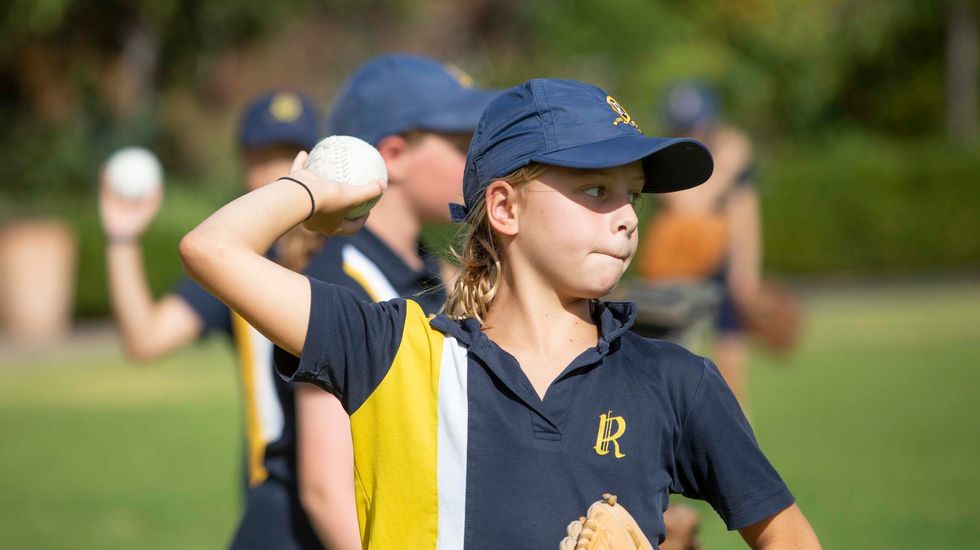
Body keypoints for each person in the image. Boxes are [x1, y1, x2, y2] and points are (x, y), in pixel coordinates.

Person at [179, 78, 820, 548]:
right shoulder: (391, 350)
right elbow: (210, 249)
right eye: (595, 189)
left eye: (634, 195)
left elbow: (789, 536)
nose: (626, 216)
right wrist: (313, 192)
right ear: (505, 208)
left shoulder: (677, 382)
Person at [99, 91, 325, 548]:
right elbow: (146, 339)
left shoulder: (349, 258)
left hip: (355, 490)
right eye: (264, 158)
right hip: (273, 499)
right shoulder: (238, 268)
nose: (278, 172)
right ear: (245, 167)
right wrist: (121, 237)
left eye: (289, 156)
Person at [293, 54, 497, 548]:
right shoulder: (340, 277)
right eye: (458, 144)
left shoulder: (424, 265)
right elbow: (324, 489)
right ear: (394, 154)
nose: (478, 158)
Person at [637, 82, 761, 404]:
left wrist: (746, 273)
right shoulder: (664, 157)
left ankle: (735, 439)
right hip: (677, 267)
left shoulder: (731, 148)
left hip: (722, 262)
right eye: (683, 126)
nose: (691, 133)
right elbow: (689, 204)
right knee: (671, 364)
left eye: (695, 125)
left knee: (733, 372)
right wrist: (728, 167)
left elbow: (745, 212)